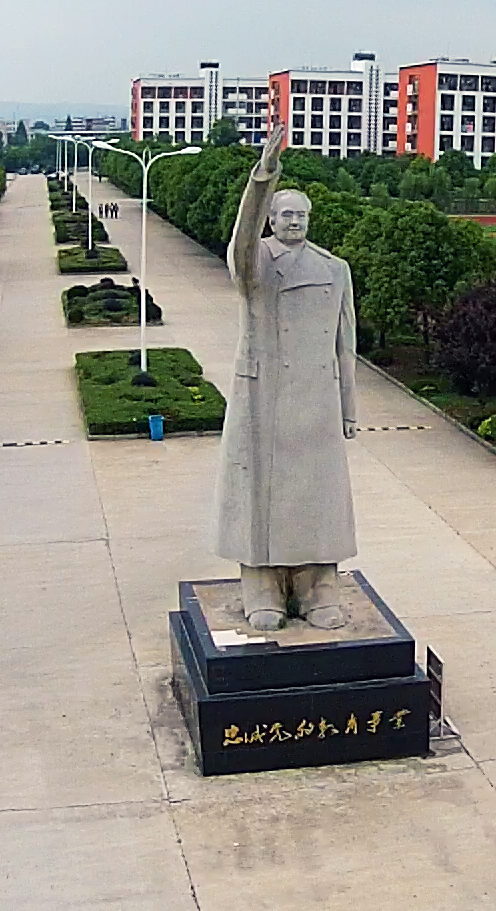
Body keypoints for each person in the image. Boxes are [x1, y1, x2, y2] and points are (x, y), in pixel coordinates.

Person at [211, 124, 358, 631]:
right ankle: (263, 586)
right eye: (285, 214)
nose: (294, 222)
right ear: (271, 220)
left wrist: (349, 409)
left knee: (318, 496)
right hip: (264, 393)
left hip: (316, 400)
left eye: (301, 215)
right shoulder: (255, 263)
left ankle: (319, 587)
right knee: (260, 498)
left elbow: (345, 344)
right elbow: (241, 239)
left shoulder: (334, 269)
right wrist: (264, 175)